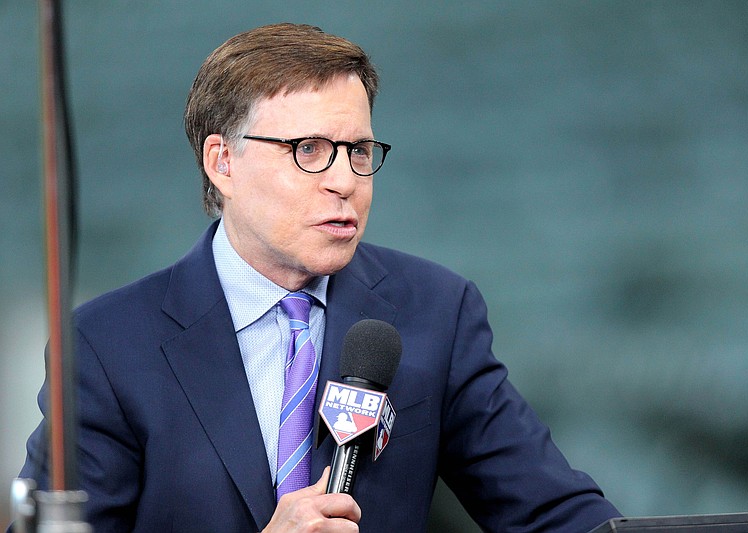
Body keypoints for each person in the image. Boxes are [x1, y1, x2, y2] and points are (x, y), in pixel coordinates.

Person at [15, 23, 621, 532]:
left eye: (358, 150)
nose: (343, 180)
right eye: (309, 149)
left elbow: (554, 515)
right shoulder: (105, 346)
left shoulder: (435, 310)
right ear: (222, 161)